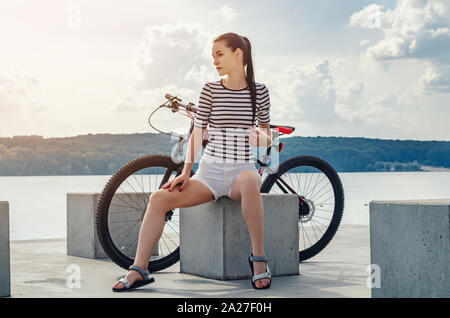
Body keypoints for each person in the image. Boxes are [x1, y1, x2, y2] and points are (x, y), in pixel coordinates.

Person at [112, 32, 273, 292]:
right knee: (158, 199)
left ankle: (259, 260)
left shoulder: (259, 91)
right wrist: (186, 172)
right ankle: (139, 269)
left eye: (220, 54)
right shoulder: (210, 89)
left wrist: (261, 139)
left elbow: (267, 135)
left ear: (238, 54)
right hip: (209, 175)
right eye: (213, 56)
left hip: (241, 171)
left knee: (250, 181)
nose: (215, 61)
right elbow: (198, 132)